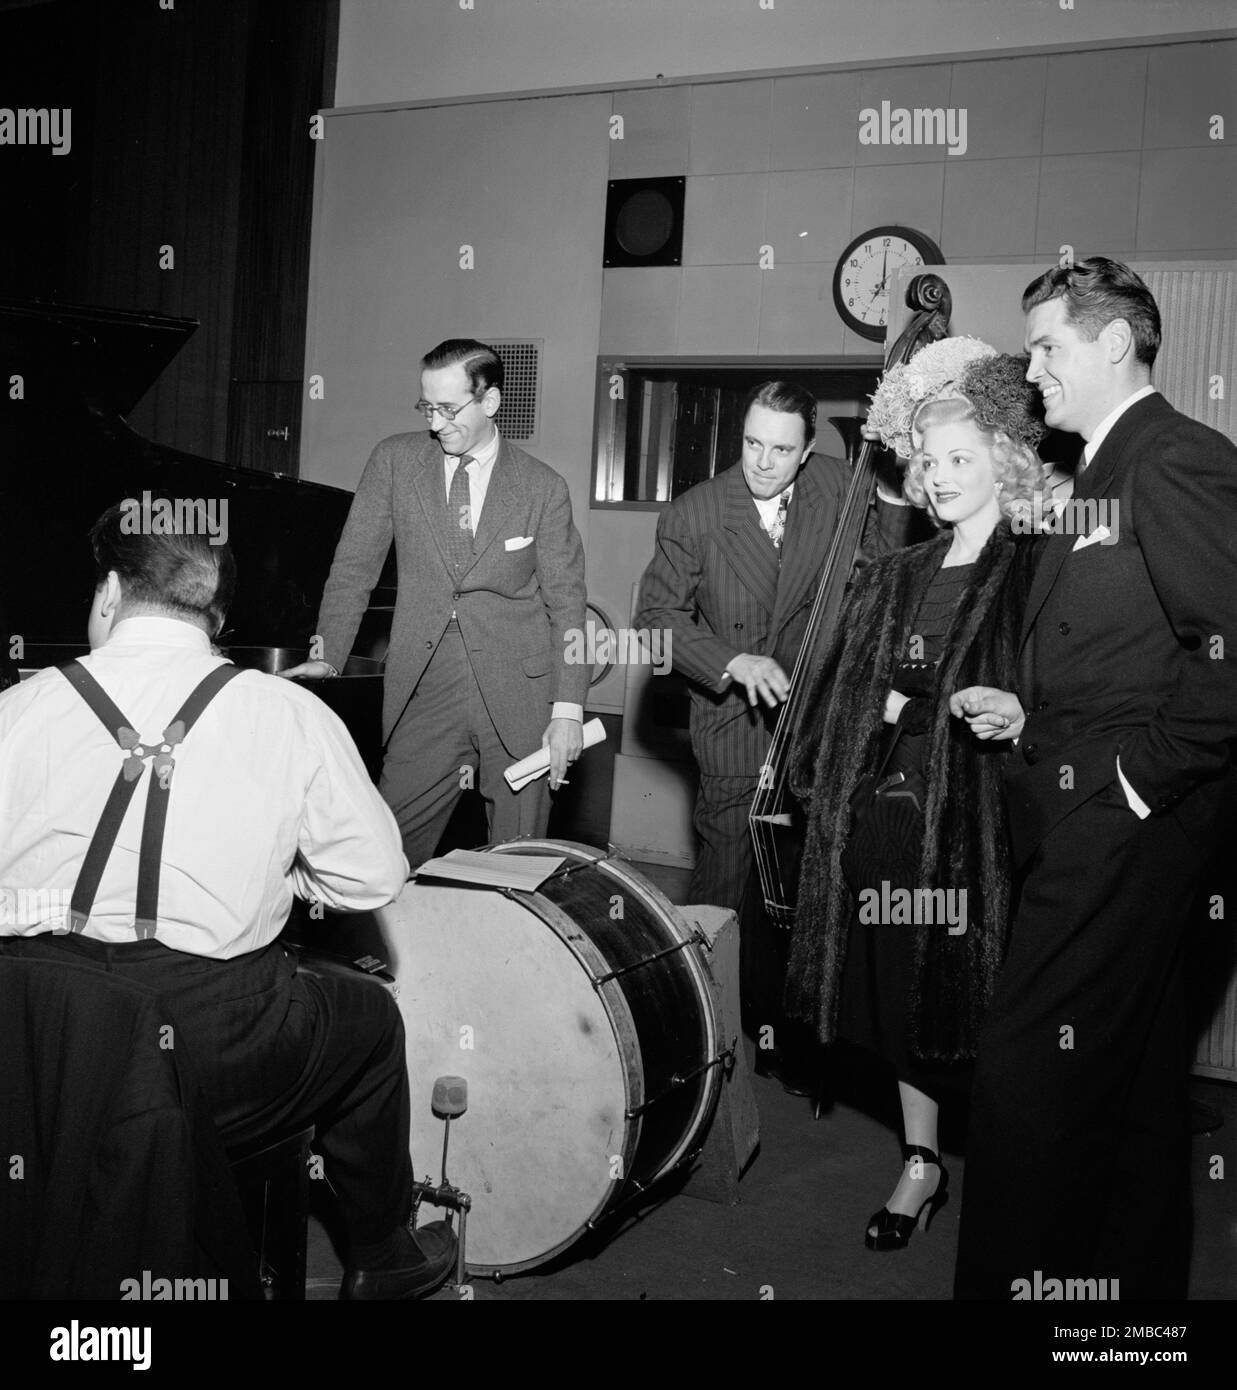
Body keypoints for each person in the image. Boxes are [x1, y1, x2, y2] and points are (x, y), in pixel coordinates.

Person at [0, 506, 456, 1300]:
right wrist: (276, 880)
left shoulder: (19, 706)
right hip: (207, 1048)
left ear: (109, 592)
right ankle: (381, 1257)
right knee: (371, 1022)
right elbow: (374, 878)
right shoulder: (285, 711)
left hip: (30, 1040)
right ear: (215, 615)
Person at [953, 258, 1237, 1299]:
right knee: (1131, 1094)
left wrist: (1130, 785)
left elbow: (1227, 654)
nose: (1032, 372)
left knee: (1027, 1081)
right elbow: (1135, 651)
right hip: (1108, 813)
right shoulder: (1106, 469)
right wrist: (1035, 714)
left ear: (1114, 342)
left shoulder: (1172, 459)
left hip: (1126, 829)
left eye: (1047, 348)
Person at [785, 351, 1046, 1250]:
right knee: (903, 1003)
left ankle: (1017, 1177)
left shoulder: (1034, 568)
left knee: (988, 1012)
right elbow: (842, 709)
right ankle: (923, 1163)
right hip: (891, 825)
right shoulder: (897, 574)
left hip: (985, 834)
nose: (937, 479)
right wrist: (885, 710)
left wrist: (961, 709)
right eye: (926, 463)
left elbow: (1057, 698)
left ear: (1004, 463)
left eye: (958, 461)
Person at [634, 380, 910, 1083]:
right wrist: (728, 659)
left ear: (808, 448)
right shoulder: (696, 512)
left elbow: (884, 560)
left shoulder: (835, 483)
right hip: (735, 725)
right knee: (727, 882)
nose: (762, 461)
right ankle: (704, 1032)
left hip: (817, 722)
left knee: (805, 884)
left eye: (781, 449)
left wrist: (898, 485)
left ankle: (790, 1028)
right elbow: (656, 623)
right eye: (752, 443)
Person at [283, 338, 589, 869]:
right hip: (425, 684)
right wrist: (330, 652)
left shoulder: (543, 488)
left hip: (522, 698)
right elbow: (355, 564)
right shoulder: (395, 461)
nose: (435, 422)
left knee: (516, 868)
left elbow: (568, 607)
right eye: (427, 406)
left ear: (490, 402)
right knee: (384, 853)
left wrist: (567, 711)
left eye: (449, 408)